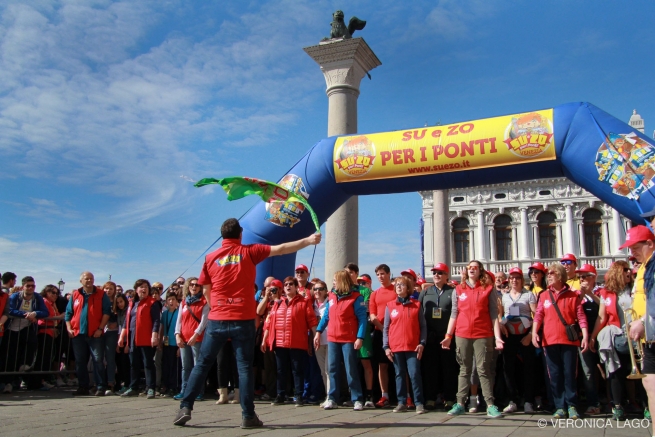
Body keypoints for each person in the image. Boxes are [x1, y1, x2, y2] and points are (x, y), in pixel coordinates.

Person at [174, 218, 321, 428]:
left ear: (222, 235)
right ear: (240, 234)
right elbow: (281, 249)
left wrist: (217, 306)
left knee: (203, 364)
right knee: (244, 367)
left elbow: (205, 289)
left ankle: (185, 407)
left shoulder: (210, 257)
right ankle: (248, 415)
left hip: (217, 318)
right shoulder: (249, 251)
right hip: (242, 318)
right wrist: (307, 240)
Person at [441, 260, 504, 418]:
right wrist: (448, 335)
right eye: (469, 267)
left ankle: (490, 404)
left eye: (475, 268)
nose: (472, 270)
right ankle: (460, 403)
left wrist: (497, 337)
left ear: (480, 271)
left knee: (483, 370)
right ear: (466, 271)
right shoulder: (458, 289)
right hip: (462, 334)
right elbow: (454, 314)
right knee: (464, 370)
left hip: (483, 334)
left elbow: (493, 315)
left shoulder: (488, 289)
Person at [532, 263, 588, 420]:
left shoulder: (572, 295)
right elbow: (538, 315)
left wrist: (585, 336)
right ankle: (559, 406)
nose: (548, 275)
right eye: (548, 273)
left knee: (570, 373)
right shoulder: (543, 295)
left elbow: (581, 316)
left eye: (552, 273)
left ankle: (572, 405)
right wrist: (534, 333)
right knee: (554, 375)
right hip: (549, 340)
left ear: (560, 276)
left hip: (569, 341)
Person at [313, 270, 368, 411]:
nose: (333, 283)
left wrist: (359, 337)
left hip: (348, 338)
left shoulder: (356, 297)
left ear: (342, 281)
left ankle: (357, 398)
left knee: (350, 369)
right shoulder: (331, 296)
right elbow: (326, 316)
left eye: (335, 280)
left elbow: (362, 319)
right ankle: (332, 398)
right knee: (332, 369)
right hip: (333, 337)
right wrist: (318, 332)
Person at [262, 276, 317, 407]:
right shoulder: (277, 303)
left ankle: (298, 395)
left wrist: (316, 336)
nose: (288, 286)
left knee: (297, 370)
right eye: (285, 284)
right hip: (280, 343)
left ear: (296, 287)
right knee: (281, 370)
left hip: (297, 342)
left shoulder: (304, 302)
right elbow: (269, 323)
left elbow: (311, 321)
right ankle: (280, 395)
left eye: (291, 284)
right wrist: (265, 339)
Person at [589, 261, 633, 420]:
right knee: (616, 371)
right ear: (617, 273)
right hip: (617, 335)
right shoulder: (606, 293)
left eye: (629, 269)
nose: (629, 272)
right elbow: (601, 318)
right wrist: (593, 336)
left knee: (644, 371)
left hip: (636, 334)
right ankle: (618, 405)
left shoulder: (635, 289)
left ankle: (645, 404)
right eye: (625, 270)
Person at [624, 224, 655, 421]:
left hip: (651, 331)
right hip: (649, 338)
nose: (632, 252)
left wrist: (643, 321)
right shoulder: (645, 267)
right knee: (650, 387)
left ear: (650, 243)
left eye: (635, 247)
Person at [383, 276, 427, 414]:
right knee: (399, 374)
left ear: (408, 288)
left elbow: (423, 326)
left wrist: (422, 343)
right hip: (396, 346)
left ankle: (419, 403)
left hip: (412, 345)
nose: (399, 287)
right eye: (397, 285)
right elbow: (386, 328)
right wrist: (386, 346)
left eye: (402, 285)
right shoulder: (390, 306)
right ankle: (401, 402)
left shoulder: (416, 305)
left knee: (414, 374)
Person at [65, 271, 111, 396]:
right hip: (78, 334)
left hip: (95, 334)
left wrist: (100, 329)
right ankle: (83, 386)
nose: (89, 281)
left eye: (91, 278)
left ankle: (100, 386)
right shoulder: (75, 295)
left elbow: (107, 312)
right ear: (81, 281)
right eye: (86, 279)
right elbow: (68, 313)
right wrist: (69, 328)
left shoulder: (101, 294)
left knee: (98, 360)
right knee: (80, 361)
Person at [419, 263, 457, 410]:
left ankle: (449, 398)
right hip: (430, 336)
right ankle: (430, 398)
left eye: (440, 273)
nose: (436, 275)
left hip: (447, 336)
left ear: (446, 276)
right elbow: (420, 314)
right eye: (434, 272)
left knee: (449, 368)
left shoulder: (452, 292)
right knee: (430, 368)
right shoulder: (426, 292)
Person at [499, 268, 537, 414]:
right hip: (509, 335)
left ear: (522, 280)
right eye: (512, 278)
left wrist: (531, 334)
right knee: (508, 368)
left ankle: (528, 401)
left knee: (529, 368)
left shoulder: (529, 295)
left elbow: (536, 316)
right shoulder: (504, 297)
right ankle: (512, 400)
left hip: (525, 334)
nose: (514, 280)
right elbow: (500, 315)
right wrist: (502, 326)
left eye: (517, 278)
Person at [4, 277, 49, 394]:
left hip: (26, 327)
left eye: (33, 286)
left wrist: (34, 313)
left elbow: (45, 312)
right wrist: (26, 314)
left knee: (32, 343)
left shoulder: (37, 297)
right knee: (11, 355)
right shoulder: (15, 296)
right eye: (28, 286)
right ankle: (8, 382)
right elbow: (10, 310)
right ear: (23, 286)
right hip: (12, 328)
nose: (30, 288)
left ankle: (25, 365)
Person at [118, 279, 162, 399]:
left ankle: (151, 388)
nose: (144, 289)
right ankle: (134, 387)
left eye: (146, 287)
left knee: (148, 363)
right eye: (141, 287)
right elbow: (127, 321)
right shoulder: (132, 303)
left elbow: (156, 321)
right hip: (133, 338)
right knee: (133, 363)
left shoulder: (152, 303)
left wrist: (154, 335)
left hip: (146, 337)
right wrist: (122, 336)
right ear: (136, 290)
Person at [174, 277, 209, 400]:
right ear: (188, 287)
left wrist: (196, 335)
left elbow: (204, 321)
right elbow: (179, 320)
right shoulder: (184, 302)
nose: (194, 287)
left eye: (197, 285)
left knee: (197, 366)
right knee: (185, 366)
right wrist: (177, 335)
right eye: (192, 285)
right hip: (184, 338)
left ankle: (198, 391)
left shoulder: (204, 302)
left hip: (197, 339)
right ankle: (184, 390)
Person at [346, 264, 374, 408]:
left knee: (366, 363)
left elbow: (366, 311)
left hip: (362, 332)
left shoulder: (365, 290)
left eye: (351, 272)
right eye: (346, 272)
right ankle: (354, 395)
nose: (348, 275)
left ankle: (369, 395)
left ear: (356, 274)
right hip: (347, 332)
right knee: (350, 365)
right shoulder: (343, 291)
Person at [369, 264, 397, 408]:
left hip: (397, 332)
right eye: (378, 274)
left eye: (382, 274)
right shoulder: (375, 293)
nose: (380, 277)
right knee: (382, 365)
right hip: (380, 332)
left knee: (399, 365)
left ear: (388, 274)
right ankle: (384, 395)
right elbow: (373, 314)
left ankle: (404, 395)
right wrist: (383, 329)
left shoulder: (395, 290)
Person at [576, 264, 601, 415]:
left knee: (608, 369)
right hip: (584, 338)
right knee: (588, 371)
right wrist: (581, 295)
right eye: (580, 277)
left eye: (585, 276)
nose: (582, 279)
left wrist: (590, 294)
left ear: (594, 277)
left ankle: (615, 402)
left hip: (600, 336)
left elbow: (605, 307)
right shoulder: (577, 294)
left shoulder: (601, 291)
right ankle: (593, 403)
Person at [256, 277, 281, 401]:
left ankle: (282, 391)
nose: (271, 292)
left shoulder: (282, 301)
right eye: (269, 290)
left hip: (279, 339)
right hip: (266, 339)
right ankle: (271, 391)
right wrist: (266, 297)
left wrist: (277, 298)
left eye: (274, 290)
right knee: (269, 367)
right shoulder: (268, 302)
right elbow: (259, 311)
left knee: (280, 367)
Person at [35, 284, 64, 390]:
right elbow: (44, 317)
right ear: (46, 292)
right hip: (44, 331)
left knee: (47, 357)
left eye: (57, 293)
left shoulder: (53, 304)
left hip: (51, 331)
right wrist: (59, 316)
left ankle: (42, 380)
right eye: (53, 292)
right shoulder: (45, 302)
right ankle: (38, 381)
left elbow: (57, 319)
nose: (55, 295)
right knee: (43, 357)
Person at [312, 280, 330, 403]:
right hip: (317, 342)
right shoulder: (311, 305)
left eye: (320, 289)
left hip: (329, 340)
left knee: (329, 370)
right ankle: (327, 394)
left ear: (325, 291)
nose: (317, 291)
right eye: (315, 289)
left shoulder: (330, 303)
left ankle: (331, 396)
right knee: (323, 371)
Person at [160, 290, 180, 397]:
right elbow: (162, 328)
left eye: (173, 299)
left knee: (174, 366)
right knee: (166, 365)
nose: (171, 302)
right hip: (166, 343)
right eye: (169, 300)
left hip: (175, 343)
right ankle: (166, 385)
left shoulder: (179, 313)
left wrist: (179, 347)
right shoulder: (165, 314)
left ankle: (173, 387)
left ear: (177, 301)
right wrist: (160, 342)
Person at [103, 281, 120, 395]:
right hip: (101, 331)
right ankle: (99, 383)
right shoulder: (100, 301)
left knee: (110, 358)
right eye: (106, 289)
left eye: (111, 289)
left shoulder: (116, 303)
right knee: (99, 358)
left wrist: (116, 324)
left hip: (112, 332)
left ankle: (110, 382)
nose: (108, 291)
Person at [114, 294, 130, 394]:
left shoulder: (128, 311)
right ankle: (119, 384)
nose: (120, 304)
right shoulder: (118, 313)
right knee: (119, 363)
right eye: (118, 302)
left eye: (121, 301)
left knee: (126, 363)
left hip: (127, 340)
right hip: (120, 340)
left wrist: (127, 343)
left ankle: (127, 384)